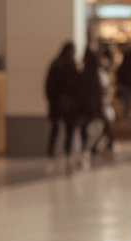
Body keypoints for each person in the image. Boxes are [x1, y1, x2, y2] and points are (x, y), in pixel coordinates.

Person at [44, 42, 80, 171]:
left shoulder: (56, 64)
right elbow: (77, 87)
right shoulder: (71, 65)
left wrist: (52, 100)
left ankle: (51, 154)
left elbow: (48, 85)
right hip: (68, 104)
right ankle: (66, 153)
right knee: (66, 130)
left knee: (56, 130)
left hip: (57, 104)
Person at [78, 44, 114, 160]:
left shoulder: (87, 73)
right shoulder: (94, 74)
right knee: (103, 125)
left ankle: (91, 147)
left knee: (95, 126)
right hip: (94, 105)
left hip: (89, 105)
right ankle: (95, 146)